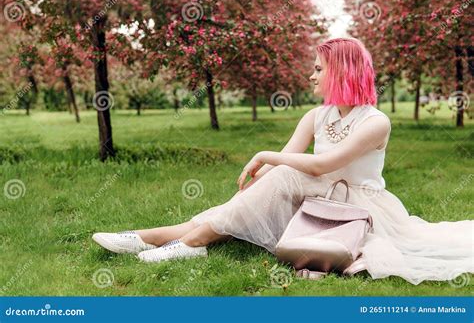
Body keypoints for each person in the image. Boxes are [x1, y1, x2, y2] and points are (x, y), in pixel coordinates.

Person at [92, 38, 473, 285]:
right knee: (259, 192)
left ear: (341, 71)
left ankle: (183, 241)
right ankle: (149, 237)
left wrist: (263, 156)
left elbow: (321, 166)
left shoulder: (376, 122)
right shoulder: (316, 116)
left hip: (356, 205)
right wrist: (254, 189)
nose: (311, 75)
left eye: (318, 69)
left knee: (286, 171)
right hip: (315, 196)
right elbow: (287, 163)